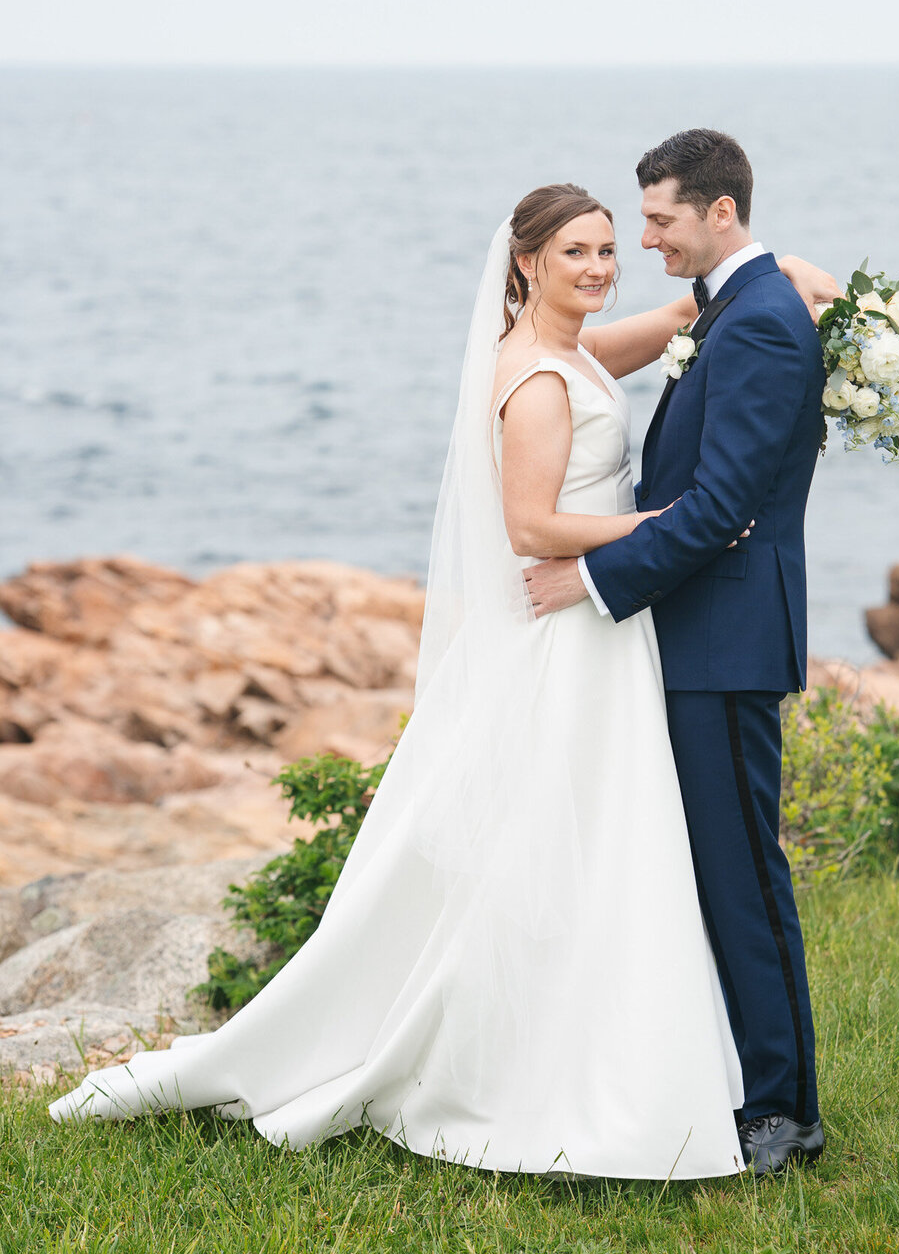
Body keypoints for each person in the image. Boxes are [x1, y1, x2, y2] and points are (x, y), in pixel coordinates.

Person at [50, 177, 837, 1180]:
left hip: (607, 636)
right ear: (525, 263)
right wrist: (652, 526)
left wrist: (772, 277)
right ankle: (539, 1060)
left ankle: (629, 1049)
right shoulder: (537, 377)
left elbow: (667, 326)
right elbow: (530, 526)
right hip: (570, 625)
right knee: (561, 844)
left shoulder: (573, 352)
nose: (605, 264)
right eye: (579, 252)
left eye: (612, 246)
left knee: (604, 846)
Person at [525, 131, 829, 1176]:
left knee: (743, 878)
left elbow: (721, 508)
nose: (644, 239)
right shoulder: (735, 305)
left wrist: (593, 578)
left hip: (725, 640)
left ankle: (785, 1110)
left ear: (720, 212)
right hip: (698, 631)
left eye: (659, 220)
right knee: (712, 870)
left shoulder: (763, 324)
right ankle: (740, 1077)